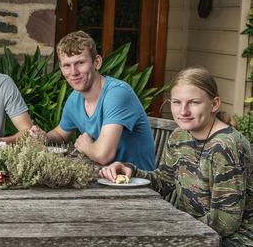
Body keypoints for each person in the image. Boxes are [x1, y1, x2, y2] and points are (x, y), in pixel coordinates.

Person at [100, 67, 252, 246]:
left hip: (231, 241)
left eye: (194, 102)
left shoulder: (226, 146)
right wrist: (130, 170)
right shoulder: (179, 136)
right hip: (191, 231)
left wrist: (170, 228)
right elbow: (164, 182)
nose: (183, 111)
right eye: (177, 102)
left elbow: (226, 221)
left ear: (215, 104)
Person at [45, 31, 156, 170]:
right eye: (67, 65)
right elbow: (61, 134)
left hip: (135, 184)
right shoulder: (75, 98)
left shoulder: (117, 93)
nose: (73, 72)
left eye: (80, 63)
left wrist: (86, 146)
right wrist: (41, 137)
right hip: (102, 180)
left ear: (97, 62)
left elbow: (104, 155)